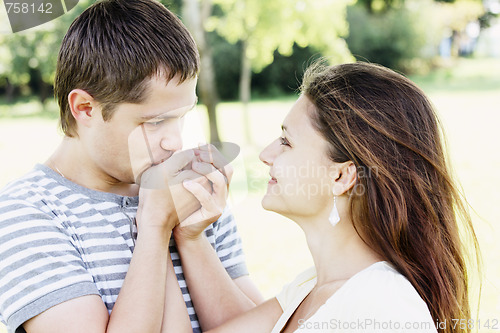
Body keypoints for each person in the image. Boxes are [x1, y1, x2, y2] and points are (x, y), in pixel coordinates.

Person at [0, 1, 262, 332]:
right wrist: (154, 227)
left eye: (182, 117)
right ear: (85, 108)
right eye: (156, 122)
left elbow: (256, 325)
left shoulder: (193, 193)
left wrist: (191, 236)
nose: (175, 143)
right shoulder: (26, 213)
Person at [178, 62, 480, 333]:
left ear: (342, 176)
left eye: (286, 142)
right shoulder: (311, 288)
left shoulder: (384, 306)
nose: (265, 154)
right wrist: (188, 236)